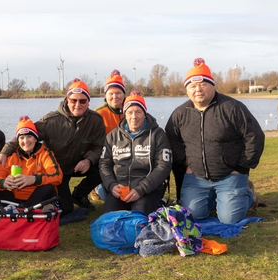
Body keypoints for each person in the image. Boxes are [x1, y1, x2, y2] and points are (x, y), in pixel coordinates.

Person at [165, 58, 265, 224]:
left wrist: (242, 167)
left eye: (203, 84)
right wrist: (186, 163)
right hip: (196, 177)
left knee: (229, 219)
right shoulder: (180, 113)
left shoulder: (232, 108)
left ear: (212, 85)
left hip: (230, 174)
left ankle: (247, 195)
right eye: (192, 86)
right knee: (192, 216)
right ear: (187, 90)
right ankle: (215, 197)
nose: (198, 89)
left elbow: (255, 136)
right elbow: (172, 139)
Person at [0, 79, 106, 215]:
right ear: (67, 100)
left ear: (88, 102)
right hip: (57, 170)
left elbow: (99, 146)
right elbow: (25, 135)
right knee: (66, 209)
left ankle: (79, 194)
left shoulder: (96, 120)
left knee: (104, 168)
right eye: (73, 100)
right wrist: (4, 152)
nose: (78, 104)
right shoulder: (50, 121)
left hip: (79, 164)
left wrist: (88, 160)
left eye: (82, 101)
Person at [100, 91, 172, 215]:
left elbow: (163, 166)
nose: (134, 116)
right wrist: (111, 185)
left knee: (138, 218)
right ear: (124, 114)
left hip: (147, 189)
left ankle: (157, 203)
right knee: (110, 218)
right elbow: (104, 163)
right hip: (120, 188)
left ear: (144, 113)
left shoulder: (158, 135)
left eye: (138, 112)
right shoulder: (113, 135)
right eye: (130, 112)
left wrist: (141, 189)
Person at [0, 116, 62, 207]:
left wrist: (34, 179)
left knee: (49, 188)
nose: (25, 141)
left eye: (29, 136)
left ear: (35, 138)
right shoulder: (11, 155)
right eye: (22, 138)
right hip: (14, 199)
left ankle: (19, 213)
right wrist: (3, 183)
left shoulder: (45, 154)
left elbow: (57, 176)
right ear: (18, 140)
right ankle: (22, 212)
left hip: (37, 198)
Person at [92, 69, 127, 201]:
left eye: (118, 93)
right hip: (104, 157)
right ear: (105, 95)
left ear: (124, 94)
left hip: (127, 157)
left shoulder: (131, 111)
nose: (115, 96)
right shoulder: (98, 114)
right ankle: (96, 187)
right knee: (109, 196)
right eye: (111, 93)